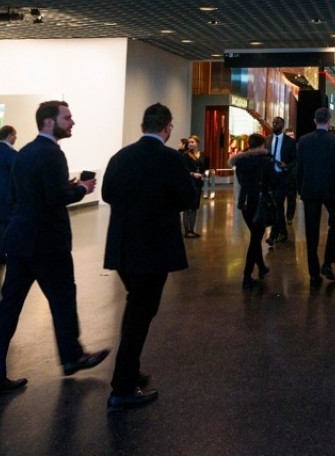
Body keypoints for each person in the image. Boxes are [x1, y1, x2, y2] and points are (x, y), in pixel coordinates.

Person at [0, 101, 108, 395]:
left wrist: (63, 188)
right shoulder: (52, 154)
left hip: (20, 239)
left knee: (8, 308)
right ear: (49, 122)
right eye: (67, 117)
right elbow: (55, 198)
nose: (72, 122)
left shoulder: (22, 154)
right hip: (47, 243)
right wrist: (81, 189)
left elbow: (18, 196)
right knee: (62, 298)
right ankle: (72, 356)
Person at [102, 102, 197, 411]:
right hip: (154, 249)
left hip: (123, 248)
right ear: (167, 128)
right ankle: (122, 387)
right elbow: (187, 198)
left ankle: (129, 372)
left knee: (137, 309)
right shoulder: (171, 159)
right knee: (140, 314)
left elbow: (107, 193)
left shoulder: (121, 157)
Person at [295, 108, 335, 287]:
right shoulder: (333, 140)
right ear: (329, 121)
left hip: (309, 190)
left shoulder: (303, 140)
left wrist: (300, 188)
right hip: (330, 190)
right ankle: (327, 262)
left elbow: (299, 167)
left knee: (311, 231)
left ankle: (313, 273)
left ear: (314, 120)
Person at [230, 133, 273, 288]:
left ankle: (261, 267)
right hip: (260, 203)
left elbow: (241, 181)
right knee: (255, 239)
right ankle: (247, 275)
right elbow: (271, 180)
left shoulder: (240, 161)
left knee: (256, 234)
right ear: (262, 145)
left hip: (245, 202)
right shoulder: (265, 161)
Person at [265, 117, 296, 246]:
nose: (274, 124)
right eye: (273, 122)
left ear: (282, 125)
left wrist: (286, 166)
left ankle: (273, 235)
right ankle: (283, 233)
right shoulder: (267, 140)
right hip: (270, 178)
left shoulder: (290, 142)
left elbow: (295, 160)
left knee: (277, 204)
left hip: (283, 178)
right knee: (276, 207)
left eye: (277, 123)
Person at [180, 135, 205, 238]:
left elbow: (204, 167)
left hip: (198, 183)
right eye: (189, 142)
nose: (190, 144)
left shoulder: (202, 155)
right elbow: (184, 170)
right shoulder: (185, 155)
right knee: (187, 207)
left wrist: (203, 174)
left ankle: (192, 230)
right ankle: (187, 231)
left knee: (194, 207)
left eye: (192, 142)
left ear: (197, 143)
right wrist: (193, 174)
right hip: (189, 182)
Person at [0, 125, 18, 263]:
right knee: (6, 225)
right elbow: (16, 175)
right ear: (10, 135)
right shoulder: (11, 154)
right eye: (15, 135)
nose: (16, 138)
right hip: (5, 196)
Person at [283, 128, 298, 223]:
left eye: (292, 135)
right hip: (282, 178)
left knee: (292, 200)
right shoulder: (280, 147)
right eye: (288, 135)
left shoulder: (298, 147)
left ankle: (289, 217)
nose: (291, 137)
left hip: (293, 178)